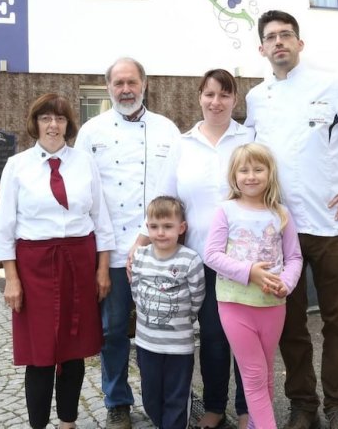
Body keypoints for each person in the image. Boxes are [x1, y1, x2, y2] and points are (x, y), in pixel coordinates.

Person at [245, 11, 338, 429]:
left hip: (330, 224)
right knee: (289, 323)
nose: (279, 42)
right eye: (271, 37)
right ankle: (303, 406)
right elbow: (247, 153)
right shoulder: (257, 98)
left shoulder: (332, 85)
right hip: (278, 229)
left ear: (300, 43)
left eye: (286, 35)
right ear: (261, 48)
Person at [0, 93, 115, 429]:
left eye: (60, 119)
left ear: (68, 124)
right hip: (34, 266)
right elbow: (5, 226)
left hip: (79, 261)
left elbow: (100, 218)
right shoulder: (17, 166)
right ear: (35, 123)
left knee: (73, 348)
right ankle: (38, 424)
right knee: (40, 351)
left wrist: (102, 269)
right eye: (46, 118)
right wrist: (11, 279)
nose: (53, 125)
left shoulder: (85, 163)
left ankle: (68, 421)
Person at [74, 58, 181, 429]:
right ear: (108, 87)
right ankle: (117, 401)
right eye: (118, 83)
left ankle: (170, 398)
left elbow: (174, 187)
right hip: (114, 249)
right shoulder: (91, 132)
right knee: (113, 329)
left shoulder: (167, 129)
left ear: (144, 84)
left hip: (160, 249)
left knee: (165, 327)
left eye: (131, 82)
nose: (125, 89)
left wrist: (148, 234)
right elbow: (85, 195)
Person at [156, 69, 254, 429]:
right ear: (199, 96)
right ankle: (214, 406)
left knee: (245, 337)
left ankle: (247, 408)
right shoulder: (183, 144)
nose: (216, 102)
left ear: (234, 99)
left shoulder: (248, 138)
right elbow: (165, 200)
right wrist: (147, 242)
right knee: (212, 336)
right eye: (210, 94)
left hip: (245, 259)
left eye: (225, 95)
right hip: (202, 259)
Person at [204, 143, 303, 429]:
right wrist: (249, 272)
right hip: (235, 304)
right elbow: (211, 255)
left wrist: (286, 283)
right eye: (244, 170)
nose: (251, 176)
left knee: (266, 373)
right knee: (254, 373)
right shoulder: (226, 211)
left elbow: (294, 257)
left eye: (258, 169)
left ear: (270, 173)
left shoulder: (281, 213)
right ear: (233, 176)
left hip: (272, 305)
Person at [131, 196, 206, 429]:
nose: (160, 233)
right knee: (151, 396)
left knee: (176, 397)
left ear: (181, 228)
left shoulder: (190, 259)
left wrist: (184, 318)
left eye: (167, 226)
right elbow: (136, 290)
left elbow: (197, 296)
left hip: (178, 347)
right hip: (147, 344)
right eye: (154, 227)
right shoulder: (140, 256)